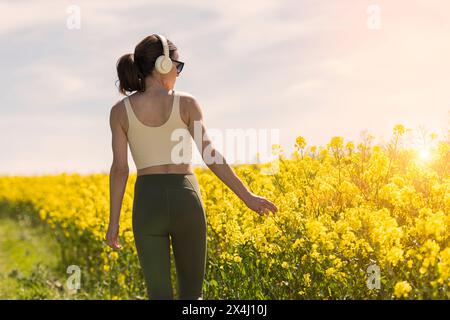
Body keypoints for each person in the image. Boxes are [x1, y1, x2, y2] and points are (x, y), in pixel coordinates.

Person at [106, 34, 278, 300]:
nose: (178, 72)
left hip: (147, 203)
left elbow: (120, 169)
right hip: (185, 197)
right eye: (178, 65)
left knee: (159, 295)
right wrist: (248, 197)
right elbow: (210, 155)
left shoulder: (120, 111)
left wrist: (113, 222)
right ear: (165, 65)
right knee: (191, 297)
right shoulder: (187, 103)